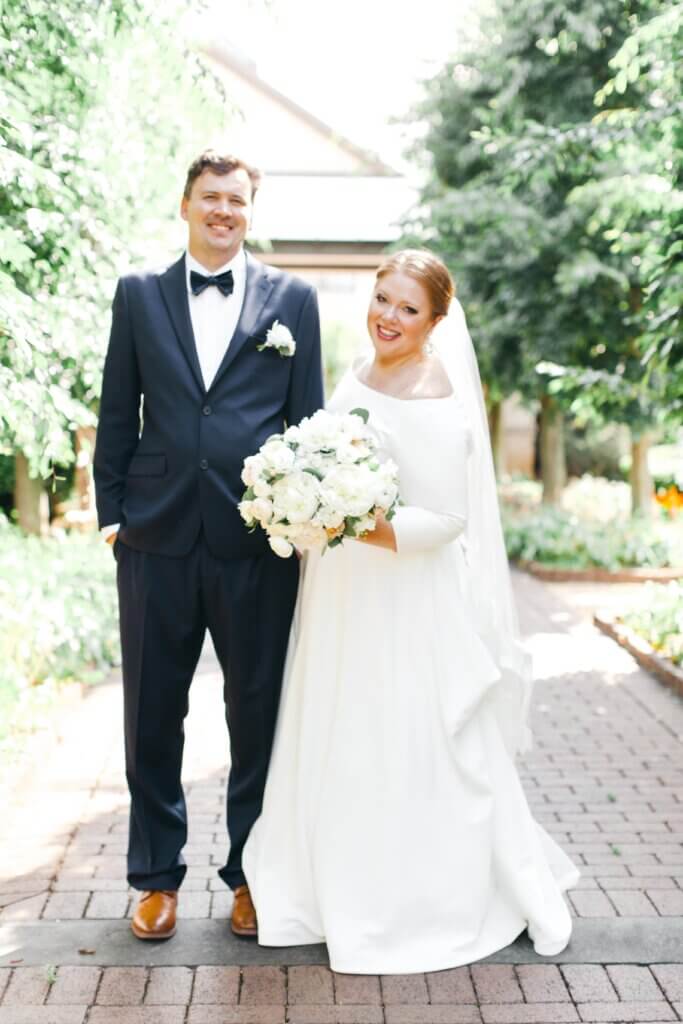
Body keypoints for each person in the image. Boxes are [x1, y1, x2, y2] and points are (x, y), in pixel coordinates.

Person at [242, 249, 580, 973]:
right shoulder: (359, 370)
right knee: (334, 725)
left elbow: (447, 520)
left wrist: (351, 520)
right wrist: (304, 505)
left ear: (434, 321)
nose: (388, 317)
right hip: (340, 592)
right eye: (382, 299)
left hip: (400, 596)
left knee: (396, 738)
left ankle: (405, 899)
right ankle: (320, 883)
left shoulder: (435, 393)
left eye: (407, 308)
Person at [93, 150, 324, 941]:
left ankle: (250, 875)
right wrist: (113, 515)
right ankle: (154, 879)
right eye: (209, 198)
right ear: (185, 205)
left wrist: (302, 523)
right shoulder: (139, 296)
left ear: (251, 212)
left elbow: (308, 423)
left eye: (236, 200)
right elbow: (118, 410)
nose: (223, 210)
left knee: (256, 711)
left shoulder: (294, 298)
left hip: (257, 540)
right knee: (152, 711)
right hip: (154, 537)